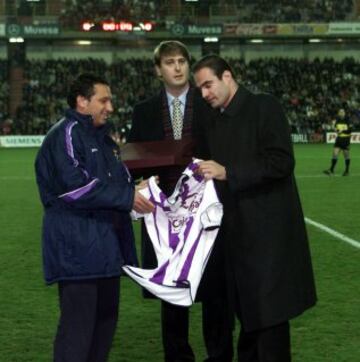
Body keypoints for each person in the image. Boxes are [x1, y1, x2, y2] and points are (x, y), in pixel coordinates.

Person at [193, 55, 317, 362]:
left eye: (208, 85)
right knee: (248, 325)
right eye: (200, 89)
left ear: (228, 77)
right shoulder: (214, 120)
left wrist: (228, 172)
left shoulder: (264, 106)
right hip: (235, 241)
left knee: (270, 327)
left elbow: (281, 162)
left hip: (268, 241)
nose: (205, 93)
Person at [35, 73, 154, 362]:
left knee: (103, 328)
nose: (110, 107)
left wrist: (136, 190)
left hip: (105, 249)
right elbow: (73, 187)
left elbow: (113, 184)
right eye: (104, 100)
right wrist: (126, 198)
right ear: (82, 101)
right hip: (78, 250)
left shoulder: (104, 140)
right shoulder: (65, 133)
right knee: (78, 332)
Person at [128, 41, 233, 362]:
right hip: (164, 217)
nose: (177, 67)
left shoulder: (210, 103)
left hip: (206, 211)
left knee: (216, 290)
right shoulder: (143, 111)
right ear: (158, 70)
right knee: (171, 292)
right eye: (170, 62)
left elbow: (226, 151)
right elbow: (133, 159)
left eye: (182, 61)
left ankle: (219, 356)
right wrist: (140, 183)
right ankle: (177, 358)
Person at [323, 108, 352, 176]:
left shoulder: (348, 120)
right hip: (338, 139)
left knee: (346, 156)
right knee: (335, 154)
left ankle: (347, 171)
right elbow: (335, 128)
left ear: (344, 113)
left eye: (342, 112)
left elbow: (350, 130)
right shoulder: (337, 120)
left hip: (346, 140)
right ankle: (331, 170)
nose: (341, 113)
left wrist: (341, 131)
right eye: (340, 112)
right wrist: (335, 129)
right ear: (339, 113)